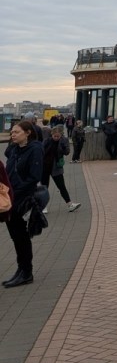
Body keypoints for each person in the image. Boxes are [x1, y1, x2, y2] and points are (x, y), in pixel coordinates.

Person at [3, 121, 44, 288]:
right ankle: (21, 270)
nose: (13, 135)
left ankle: (26, 272)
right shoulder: (14, 149)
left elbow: (34, 177)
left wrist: (14, 192)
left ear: (28, 133)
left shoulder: (35, 149)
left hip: (22, 199)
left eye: (16, 132)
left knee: (21, 236)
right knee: (15, 236)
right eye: (12, 132)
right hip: (10, 199)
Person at [42, 127, 81, 213]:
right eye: (54, 136)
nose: (56, 138)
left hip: (56, 167)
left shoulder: (63, 141)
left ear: (61, 135)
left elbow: (67, 152)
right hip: (45, 167)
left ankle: (70, 204)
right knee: (44, 188)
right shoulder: (46, 141)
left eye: (58, 136)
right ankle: (43, 207)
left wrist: (63, 148)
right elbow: (41, 151)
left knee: (61, 186)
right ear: (51, 134)